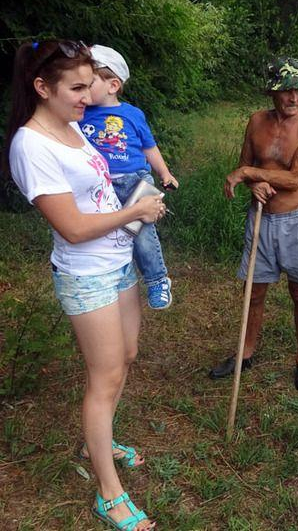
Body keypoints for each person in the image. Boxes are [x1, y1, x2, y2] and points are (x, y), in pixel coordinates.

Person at [3, 40, 165, 530]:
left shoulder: (73, 125)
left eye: (88, 83)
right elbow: (71, 227)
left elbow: (98, 189)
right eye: (76, 87)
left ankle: (101, 436)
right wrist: (135, 211)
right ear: (41, 87)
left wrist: (137, 198)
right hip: (85, 273)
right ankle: (109, 493)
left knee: (127, 355)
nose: (87, 95)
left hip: (118, 262)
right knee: (106, 375)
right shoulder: (31, 145)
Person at [209, 57, 298, 391]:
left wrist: (247, 174)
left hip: (296, 220)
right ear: (273, 93)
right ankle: (246, 352)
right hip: (261, 218)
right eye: (286, 91)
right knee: (254, 290)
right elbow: (246, 163)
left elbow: (296, 178)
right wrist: (253, 181)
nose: (294, 98)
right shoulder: (256, 121)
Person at [80, 45, 177, 310]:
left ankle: (157, 279)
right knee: (112, 233)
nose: (82, 90)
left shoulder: (133, 114)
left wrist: (165, 173)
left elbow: (149, 147)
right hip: (102, 184)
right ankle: (111, 275)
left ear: (113, 85)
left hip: (136, 179)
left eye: (89, 83)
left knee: (142, 230)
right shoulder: (78, 115)